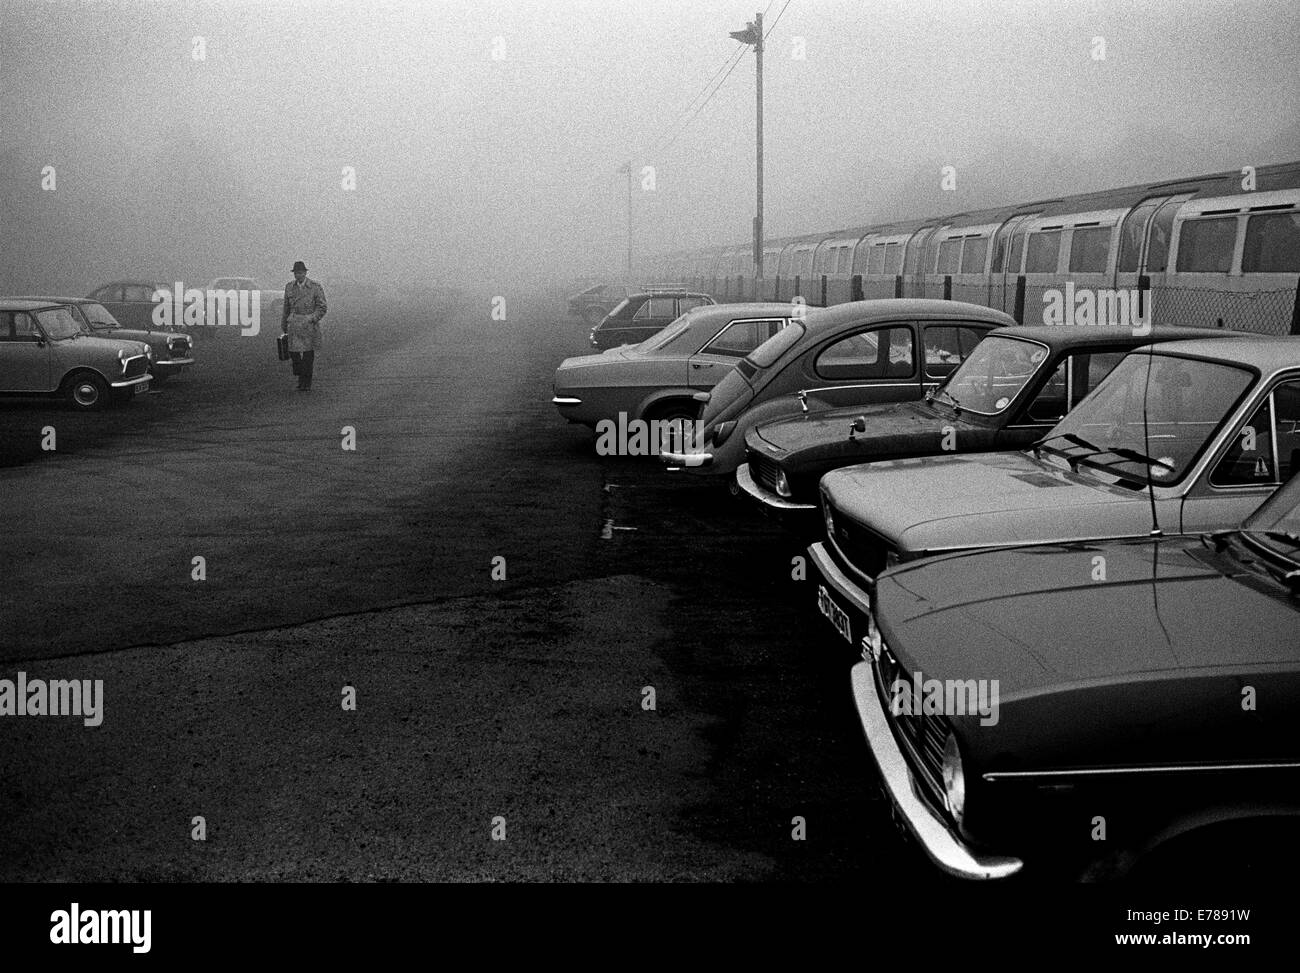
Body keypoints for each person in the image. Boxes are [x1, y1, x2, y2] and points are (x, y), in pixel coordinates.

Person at [281, 260, 327, 391]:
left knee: (307, 355)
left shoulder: (315, 287)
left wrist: (312, 318)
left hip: (308, 326)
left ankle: (305, 382)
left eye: (300, 273)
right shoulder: (289, 287)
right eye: (296, 273)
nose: (298, 275)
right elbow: (286, 307)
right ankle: (300, 376)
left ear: (305, 273)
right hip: (294, 325)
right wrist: (284, 324)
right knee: (294, 354)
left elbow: (322, 307)